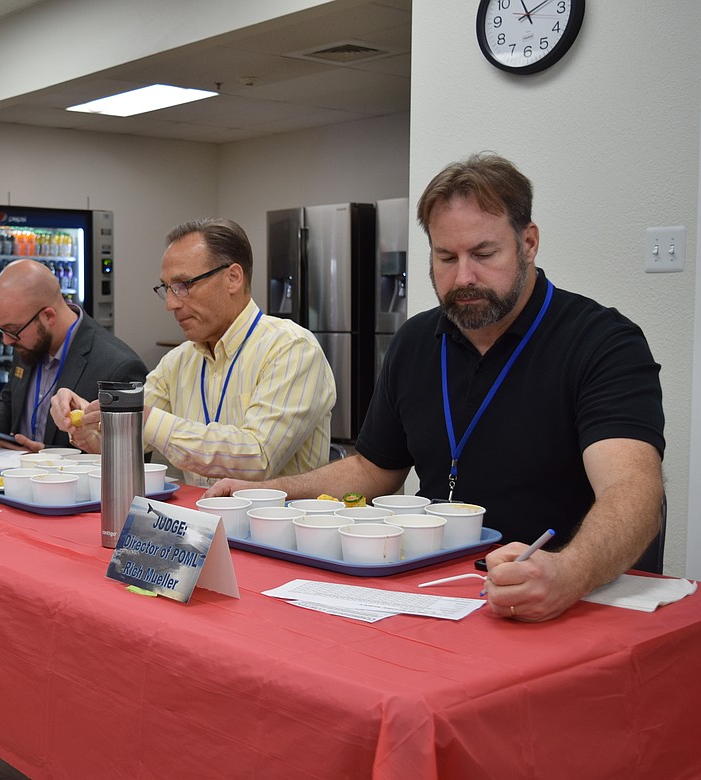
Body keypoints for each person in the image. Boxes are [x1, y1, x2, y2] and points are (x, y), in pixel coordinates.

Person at [206, 153, 666, 623]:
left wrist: (568, 571)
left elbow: (633, 491)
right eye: (446, 257)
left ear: (528, 243)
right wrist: (269, 492)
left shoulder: (602, 342)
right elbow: (372, 469)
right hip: (442, 590)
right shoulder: (415, 340)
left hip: (566, 598)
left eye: (484, 255)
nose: (463, 277)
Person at [49, 218, 335, 485]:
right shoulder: (179, 361)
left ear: (233, 278)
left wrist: (148, 418)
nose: (170, 304)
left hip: (275, 531)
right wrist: (86, 425)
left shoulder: (291, 349)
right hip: (198, 527)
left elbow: (257, 457)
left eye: (183, 286)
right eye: (167, 288)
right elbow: (127, 443)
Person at [0, 259, 148, 451]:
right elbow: (10, 402)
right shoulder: (28, 340)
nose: (7, 341)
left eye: (12, 330)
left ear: (48, 316)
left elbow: (130, 456)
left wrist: (47, 454)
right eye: (0, 330)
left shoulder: (119, 367)